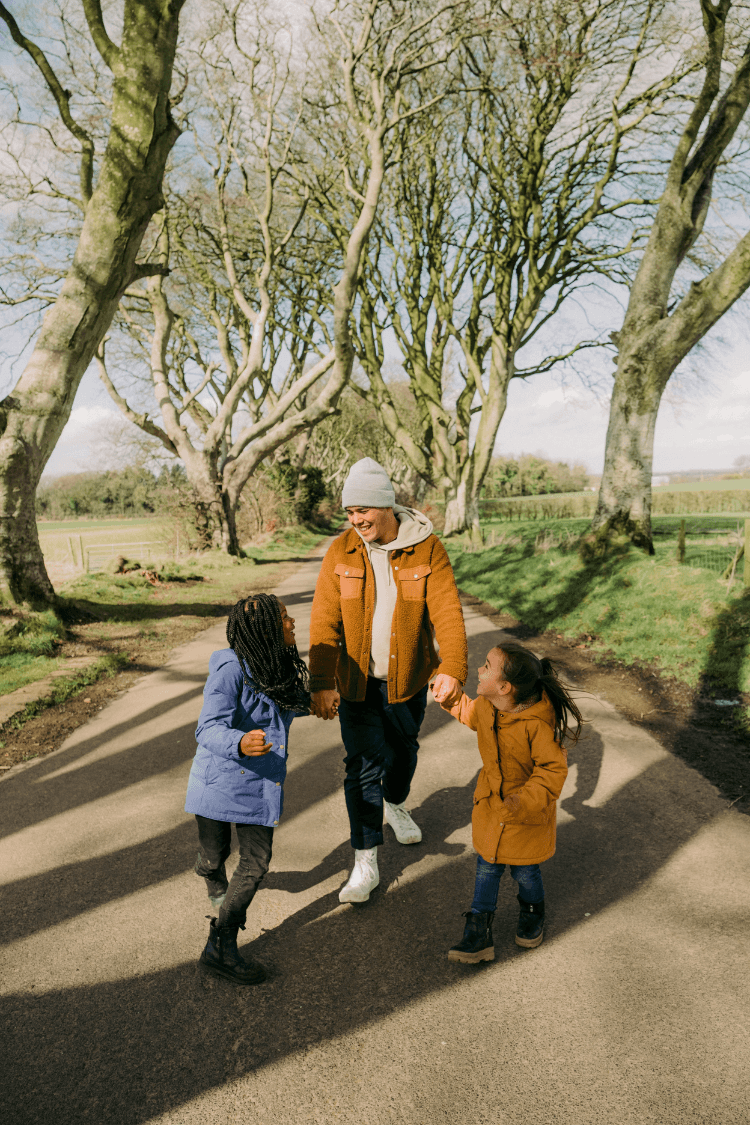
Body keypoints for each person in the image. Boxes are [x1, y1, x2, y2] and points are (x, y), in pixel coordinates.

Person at [309, 457, 468, 903]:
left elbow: (447, 612)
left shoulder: (426, 548)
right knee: (361, 769)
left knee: (402, 756)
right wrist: (321, 680)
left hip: (408, 682)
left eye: (363, 510)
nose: (356, 520)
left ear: (386, 506)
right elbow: (323, 622)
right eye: (349, 512)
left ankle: (396, 803)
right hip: (356, 684)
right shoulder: (341, 551)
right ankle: (365, 860)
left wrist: (452, 667)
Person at [185, 593, 310, 985]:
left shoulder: (280, 665)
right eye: (285, 619)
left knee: (255, 864)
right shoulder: (230, 672)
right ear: (263, 630)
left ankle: (220, 945)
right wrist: (239, 742)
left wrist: (319, 702)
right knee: (215, 854)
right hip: (218, 785)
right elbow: (207, 728)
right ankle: (208, 870)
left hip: (258, 787)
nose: (293, 624)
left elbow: (286, 703)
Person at [434, 640, 582, 962]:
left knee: (525, 871)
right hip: (492, 806)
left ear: (504, 686)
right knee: (486, 865)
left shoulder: (536, 725)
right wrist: (452, 700)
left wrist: (523, 801)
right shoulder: (489, 707)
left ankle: (532, 909)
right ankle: (478, 929)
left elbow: (551, 770)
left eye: (487, 666)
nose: (479, 668)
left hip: (525, 813)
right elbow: (472, 714)